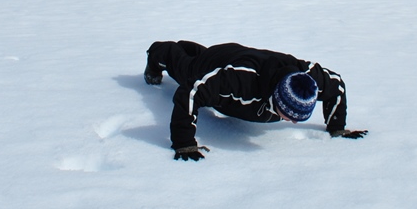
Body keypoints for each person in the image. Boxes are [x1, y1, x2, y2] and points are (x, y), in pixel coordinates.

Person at [144, 40, 367, 160]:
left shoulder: (310, 80)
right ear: (277, 100)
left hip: (244, 57)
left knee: (199, 55)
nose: (294, 122)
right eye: (289, 115)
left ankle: (192, 48)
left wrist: (337, 128)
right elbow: (189, 93)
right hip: (220, 62)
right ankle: (157, 53)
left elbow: (337, 84)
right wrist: (184, 144)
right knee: (186, 68)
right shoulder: (239, 80)